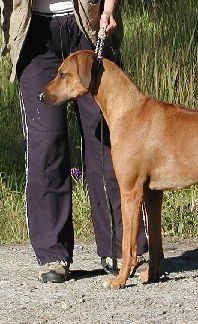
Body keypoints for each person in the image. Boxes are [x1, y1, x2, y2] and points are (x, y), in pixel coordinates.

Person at [0, 0, 147, 283]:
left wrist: (109, 10)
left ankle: (122, 248)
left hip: (88, 24)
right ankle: (52, 253)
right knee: (44, 143)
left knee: (106, 138)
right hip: (33, 31)